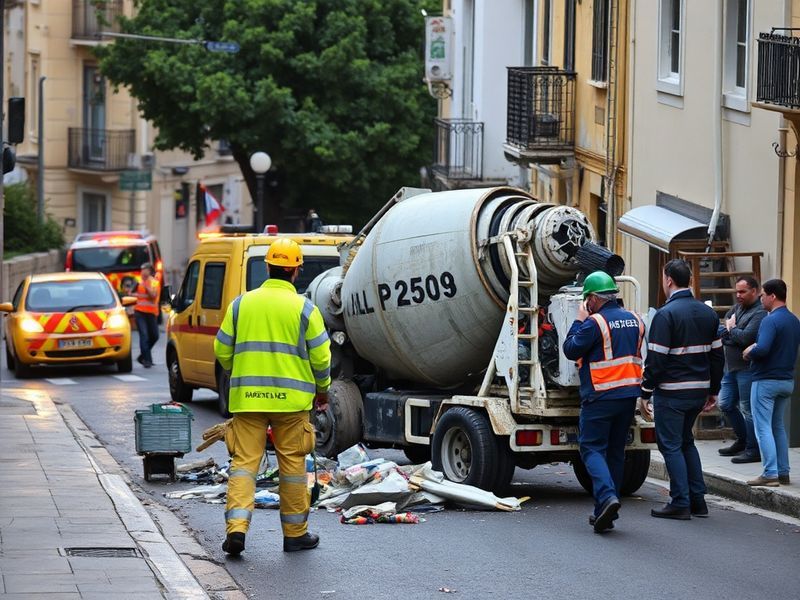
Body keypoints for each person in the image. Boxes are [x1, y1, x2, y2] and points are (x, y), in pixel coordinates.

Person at [214, 238, 331, 556]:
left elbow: (221, 349)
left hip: (248, 400)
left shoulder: (241, 305)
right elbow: (322, 358)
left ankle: (236, 530)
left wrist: (240, 369)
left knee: (244, 465)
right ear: (296, 271)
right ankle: (295, 535)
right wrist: (322, 390)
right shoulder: (305, 309)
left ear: (267, 267)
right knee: (292, 468)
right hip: (292, 404)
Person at [563, 271, 645, 533]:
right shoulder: (635, 319)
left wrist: (579, 320)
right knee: (615, 452)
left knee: (591, 448)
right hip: (628, 394)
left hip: (600, 395)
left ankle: (608, 497)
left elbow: (570, 349)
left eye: (586, 299)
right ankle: (604, 510)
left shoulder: (594, 322)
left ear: (593, 299)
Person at [642, 259, 724, 520]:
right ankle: (698, 500)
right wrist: (713, 389)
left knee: (671, 445)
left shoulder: (665, 315)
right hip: (698, 391)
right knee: (686, 442)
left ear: (668, 280)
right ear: (689, 280)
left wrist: (645, 391)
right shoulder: (708, 313)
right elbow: (717, 356)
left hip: (672, 392)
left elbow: (656, 360)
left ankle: (680, 501)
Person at [742, 279, 800, 487]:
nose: (761, 299)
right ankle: (783, 472)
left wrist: (749, 351)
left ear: (772, 296)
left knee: (762, 428)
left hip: (766, 380)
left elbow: (763, 348)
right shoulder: (794, 320)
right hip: (786, 380)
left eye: (763, 295)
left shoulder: (770, 320)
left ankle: (770, 473)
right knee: (778, 427)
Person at [717, 276, 766, 464]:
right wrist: (731, 331)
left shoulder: (760, 312)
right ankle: (742, 440)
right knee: (725, 404)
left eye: (742, 292)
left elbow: (746, 338)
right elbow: (723, 330)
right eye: (737, 291)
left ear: (754, 291)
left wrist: (732, 329)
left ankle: (753, 449)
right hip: (730, 368)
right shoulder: (737, 308)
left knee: (748, 409)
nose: (738, 295)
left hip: (747, 369)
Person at [133, 263, 160, 368]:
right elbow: (133, 294)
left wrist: (146, 286)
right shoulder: (138, 281)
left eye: (144, 270)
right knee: (144, 336)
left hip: (151, 313)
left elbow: (153, 295)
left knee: (155, 336)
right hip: (139, 312)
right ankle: (147, 360)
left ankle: (142, 356)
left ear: (149, 271)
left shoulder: (153, 282)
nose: (142, 272)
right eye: (142, 270)